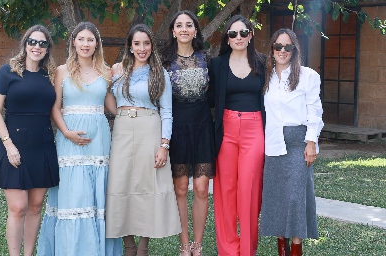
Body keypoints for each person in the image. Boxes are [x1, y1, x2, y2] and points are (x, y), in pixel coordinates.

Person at [36, 22, 122, 256]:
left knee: (96, 196)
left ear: (97, 44)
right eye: (81, 39)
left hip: (99, 141)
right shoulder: (62, 71)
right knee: (73, 194)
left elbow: (113, 107)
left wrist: (138, 111)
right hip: (68, 140)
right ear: (73, 42)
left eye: (90, 40)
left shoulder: (106, 71)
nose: (86, 44)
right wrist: (66, 132)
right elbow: (55, 107)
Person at [105, 23, 181, 256]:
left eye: (146, 43)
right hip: (123, 131)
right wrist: (121, 113)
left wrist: (164, 145)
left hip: (150, 129)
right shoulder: (119, 72)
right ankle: (128, 246)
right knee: (120, 184)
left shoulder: (160, 74)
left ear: (151, 46)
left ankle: (143, 247)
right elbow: (108, 98)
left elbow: (167, 112)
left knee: (148, 186)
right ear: (130, 46)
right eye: (136, 43)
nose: (141, 48)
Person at [0, 25, 59, 256]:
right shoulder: (7, 72)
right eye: (32, 41)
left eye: (42, 43)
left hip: (43, 145)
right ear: (25, 43)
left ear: (48, 48)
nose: (36, 47)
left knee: (35, 206)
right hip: (14, 144)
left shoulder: (50, 75)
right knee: (18, 207)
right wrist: (9, 145)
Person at [259, 28, 323, 256]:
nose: (282, 51)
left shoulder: (308, 76)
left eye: (287, 47)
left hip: (298, 144)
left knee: (296, 199)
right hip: (273, 144)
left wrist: (311, 142)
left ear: (294, 49)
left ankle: (296, 249)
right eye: (278, 46)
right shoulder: (266, 77)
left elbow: (314, 110)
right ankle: (281, 250)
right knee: (278, 200)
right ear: (272, 49)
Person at [207, 15, 266, 256]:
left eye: (243, 33)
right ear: (227, 38)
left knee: (249, 191)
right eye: (233, 34)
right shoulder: (217, 64)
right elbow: (207, 96)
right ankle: (229, 251)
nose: (238, 37)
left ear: (250, 36)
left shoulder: (263, 63)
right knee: (225, 192)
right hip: (226, 129)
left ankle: (247, 250)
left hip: (255, 128)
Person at [160, 10, 214, 256]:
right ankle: (184, 245)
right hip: (177, 129)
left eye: (188, 25)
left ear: (195, 31)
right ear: (173, 31)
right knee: (180, 189)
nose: (184, 29)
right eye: (179, 25)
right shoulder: (162, 59)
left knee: (202, 189)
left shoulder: (207, 58)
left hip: (203, 128)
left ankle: (198, 245)